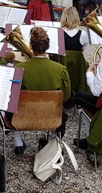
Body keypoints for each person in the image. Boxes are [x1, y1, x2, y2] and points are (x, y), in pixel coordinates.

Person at [13, 27, 71, 155]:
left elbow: (13, 96)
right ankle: (52, 143)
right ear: (48, 46)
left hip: (23, 116)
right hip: (52, 115)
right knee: (61, 110)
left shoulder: (20, 68)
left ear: (30, 46)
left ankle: (18, 144)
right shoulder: (60, 69)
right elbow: (66, 96)